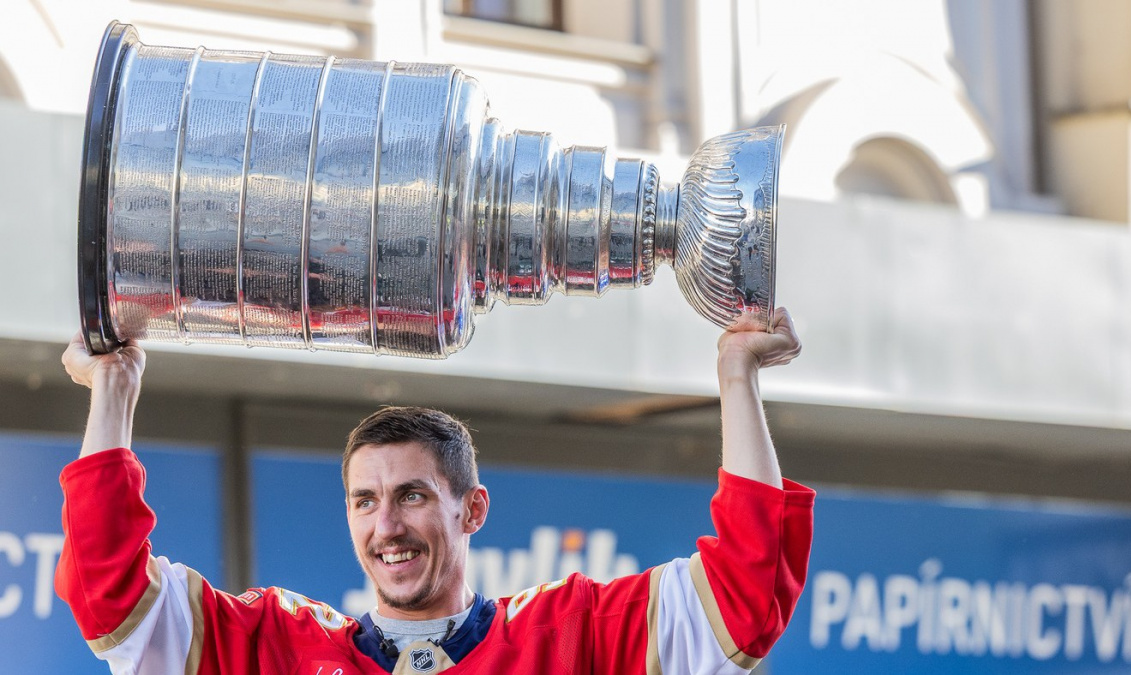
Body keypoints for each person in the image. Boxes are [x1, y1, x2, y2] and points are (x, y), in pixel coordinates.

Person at [57, 309, 813, 674]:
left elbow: (744, 594)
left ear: (472, 508)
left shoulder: (567, 637)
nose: (386, 524)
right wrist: (114, 390)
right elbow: (109, 596)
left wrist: (736, 376)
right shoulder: (278, 648)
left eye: (412, 494)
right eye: (364, 500)